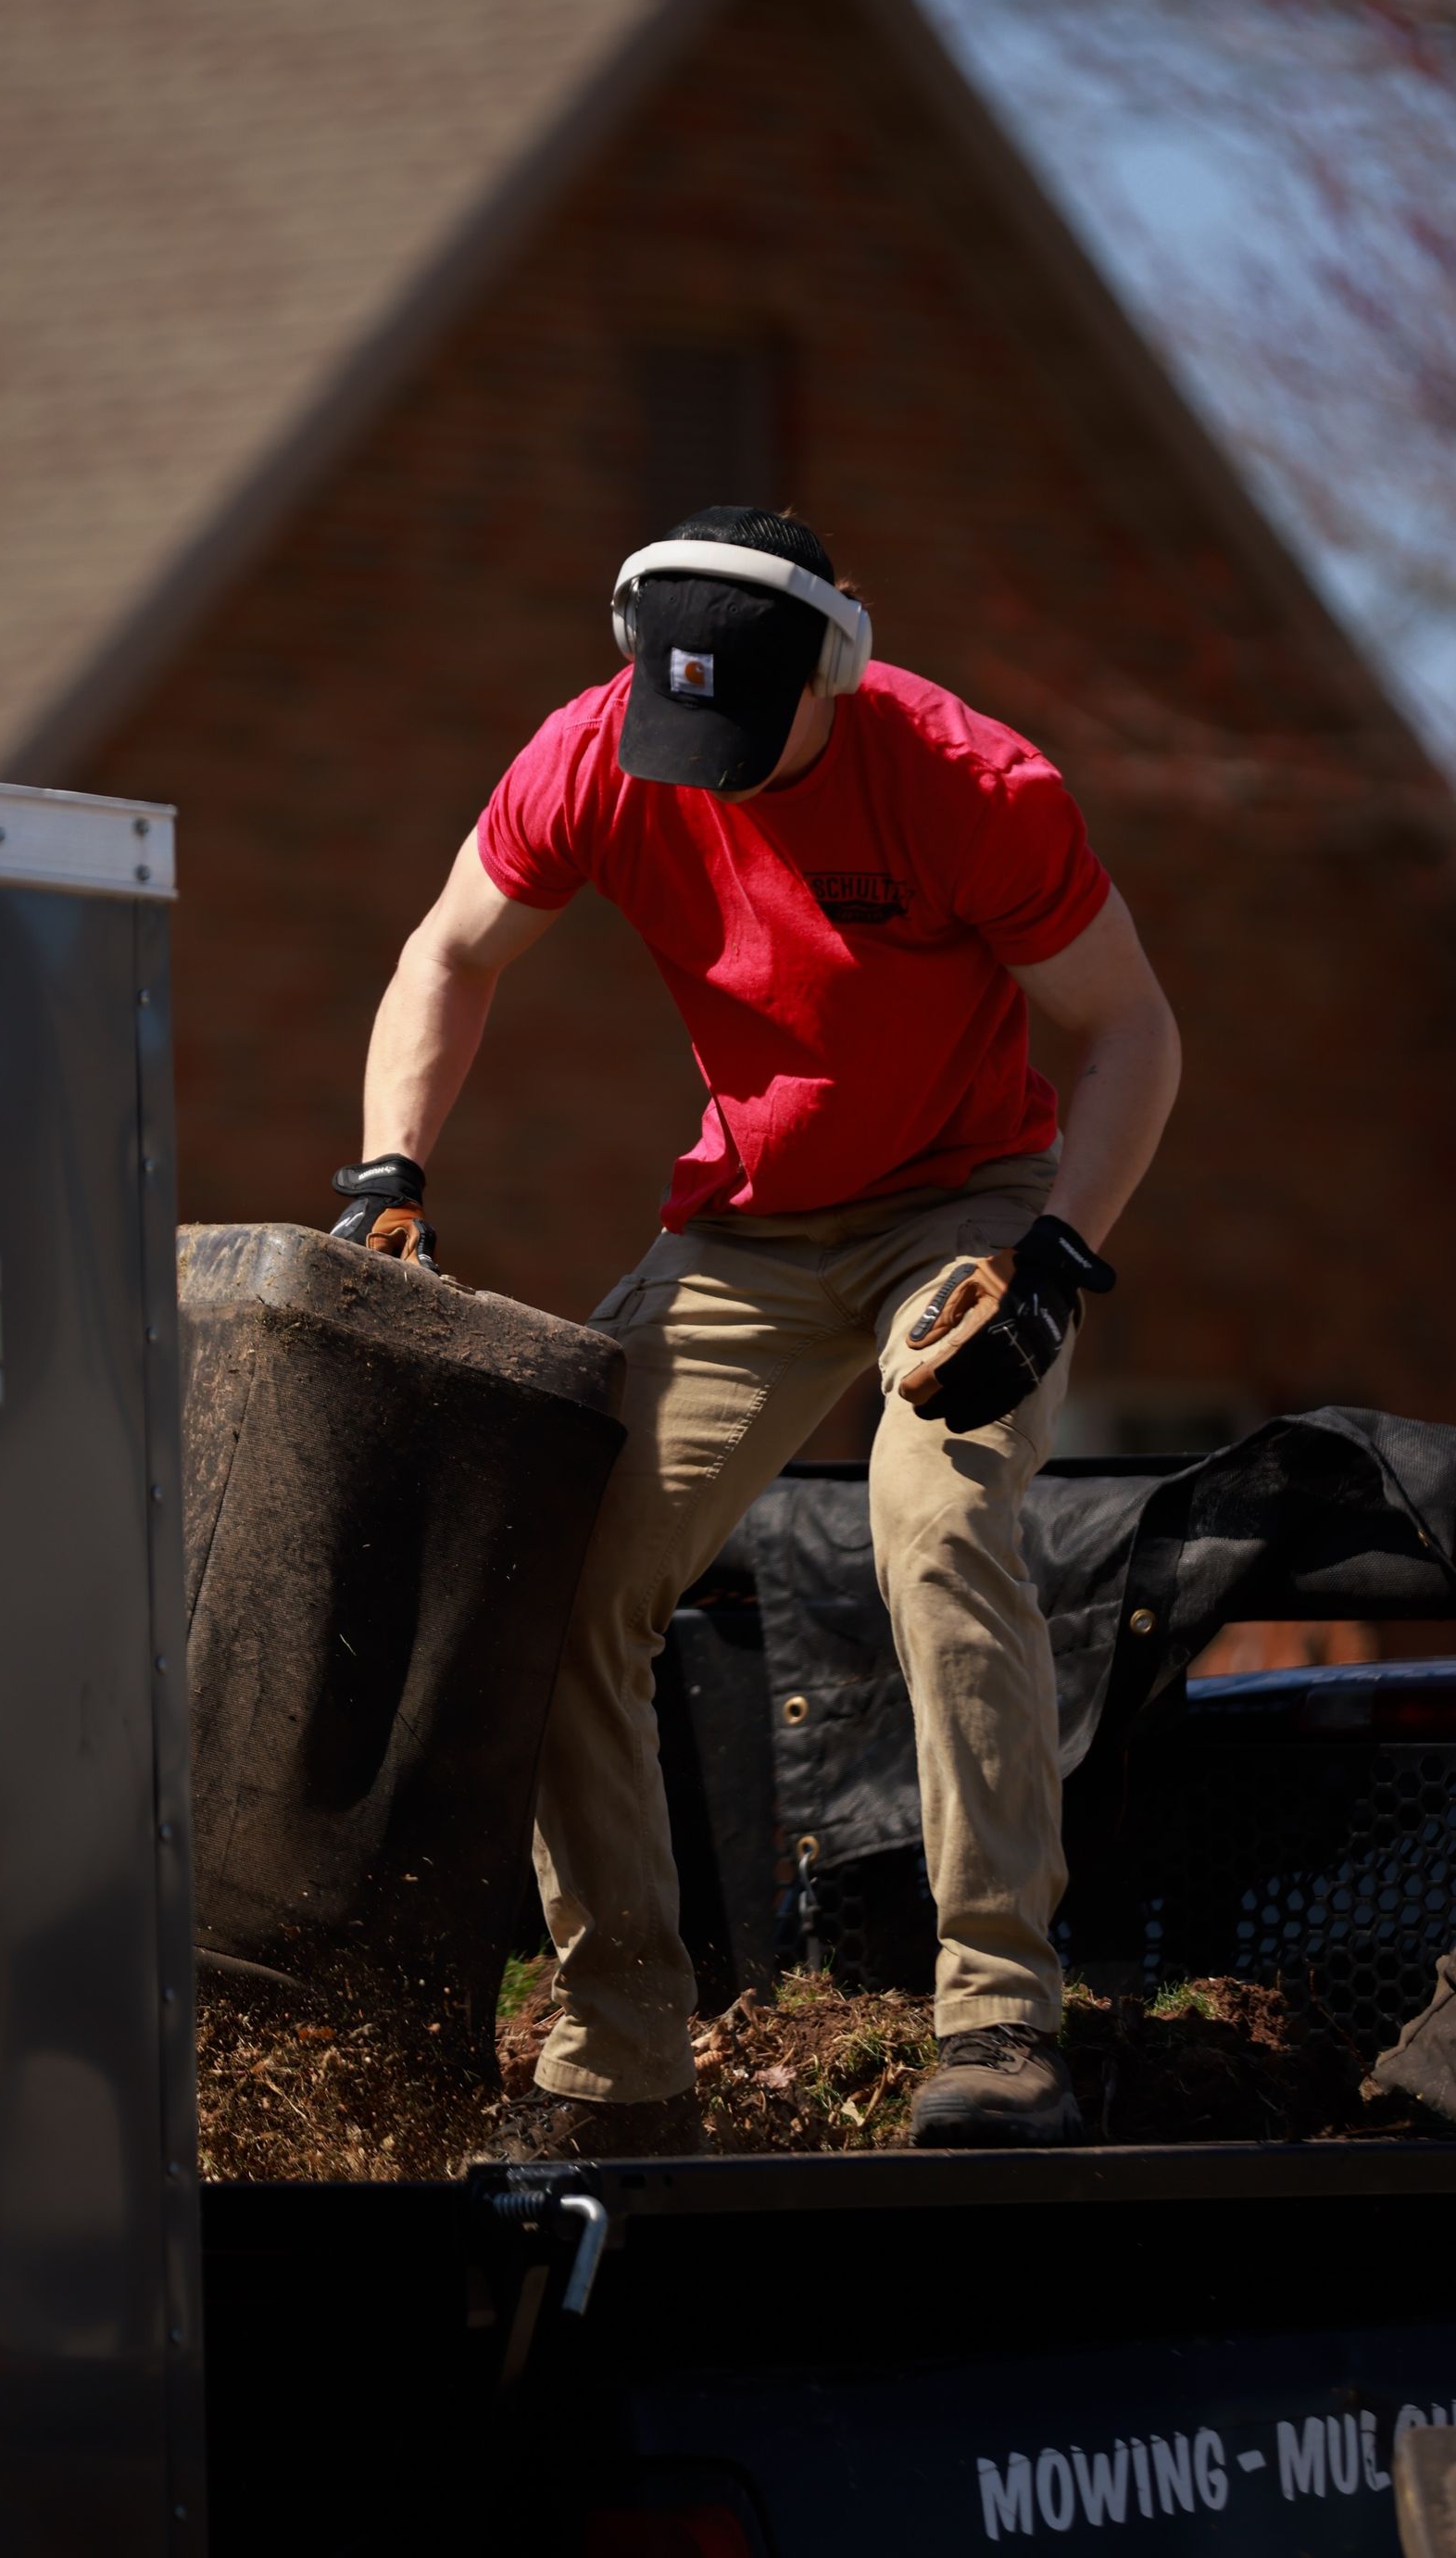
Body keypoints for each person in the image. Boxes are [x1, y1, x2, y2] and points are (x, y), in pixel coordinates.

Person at [333, 507, 1181, 2153]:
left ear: (838, 671)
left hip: (968, 1210)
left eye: (744, 736)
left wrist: (1062, 1254)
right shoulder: (598, 752)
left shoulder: (970, 782)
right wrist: (387, 1174)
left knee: (932, 1521)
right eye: (678, 724)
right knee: (568, 1563)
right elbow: (451, 948)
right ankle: (619, 2048)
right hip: (743, 1229)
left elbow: (1131, 1024)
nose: (702, 769)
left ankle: (1000, 2018)